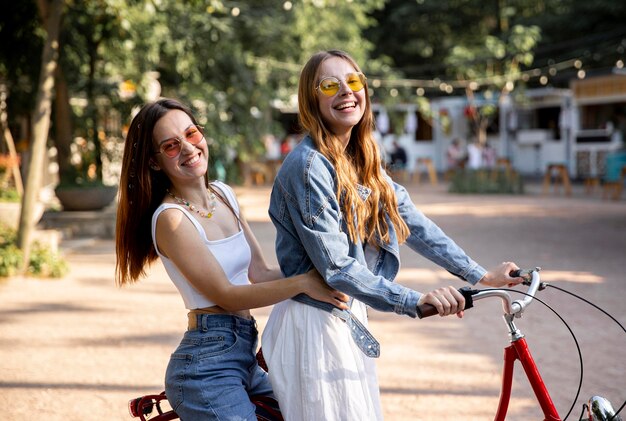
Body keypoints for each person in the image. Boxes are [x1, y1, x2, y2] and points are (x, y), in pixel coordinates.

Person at [260, 50, 523, 421]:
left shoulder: (360, 158)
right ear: (312, 99)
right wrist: (414, 301)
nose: (346, 92)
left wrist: (479, 276)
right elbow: (336, 267)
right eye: (330, 85)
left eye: (353, 81)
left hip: (346, 316)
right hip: (313, 326)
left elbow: (412, 222)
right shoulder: (308, 167)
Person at [114, 98, 349, 420]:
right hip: (206, 367)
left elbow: (260, 272)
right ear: (154, 162)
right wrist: (303, 283)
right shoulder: (171, 219)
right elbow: (226, 294)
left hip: (244, 355)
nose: (188, 148)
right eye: (171, 145)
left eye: (192, 134)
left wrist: (325, 272)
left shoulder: (224, 194)